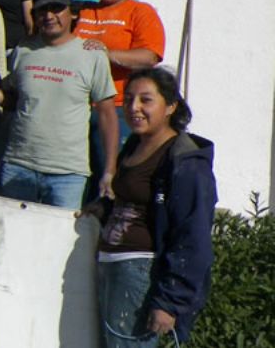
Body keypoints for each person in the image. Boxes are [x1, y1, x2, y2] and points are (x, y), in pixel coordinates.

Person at [80, 67, 216, 347]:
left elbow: (193, 236)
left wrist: (170, 301)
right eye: (128, 99)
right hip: (111, 270)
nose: (134, 108)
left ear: (170, 106)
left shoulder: (185, 162)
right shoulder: (133, 144)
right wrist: (104, 209)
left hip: (140, 277)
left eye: (146, 100)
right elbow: (135, 200)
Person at [0, 0, 118, 209]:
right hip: (17, 165)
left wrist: (110, 170)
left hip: (67, 174)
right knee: (13, 241)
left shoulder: (92, 55)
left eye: (56, 8)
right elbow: (12, 100)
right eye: (42, 10)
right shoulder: (22, 50)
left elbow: (107, 114)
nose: (49, 15)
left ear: (72, 13)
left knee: (61, 243)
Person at [75, 0, 165, 201]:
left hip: (118, 109)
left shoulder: (140, 11)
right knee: (80, 184)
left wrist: (107, 53)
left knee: (111, 185)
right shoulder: (83, 11)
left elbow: (150, 56)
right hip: (77, 110)